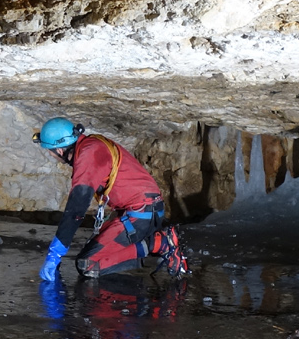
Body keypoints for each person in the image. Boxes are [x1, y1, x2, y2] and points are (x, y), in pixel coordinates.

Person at [33, 118, 187, 284]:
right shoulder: (92, 145)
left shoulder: (88, 155)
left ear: (60, 150)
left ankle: (158, 243)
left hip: (140, 214)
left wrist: (55, 253)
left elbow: (76, 208)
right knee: (97, 251)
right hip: (143, 210)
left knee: (88, 264)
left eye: (49, 150)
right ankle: (156, 242)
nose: (50, 154)